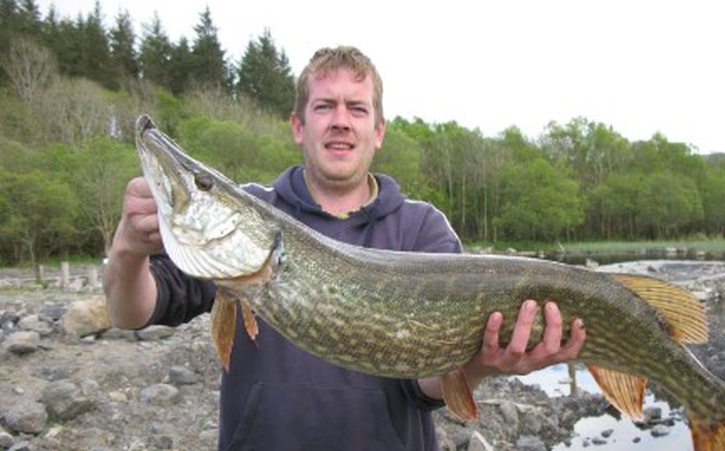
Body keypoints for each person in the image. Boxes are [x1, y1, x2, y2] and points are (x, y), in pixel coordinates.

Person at [104, 46, 586, 451]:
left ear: (377, 131)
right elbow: (133, 311)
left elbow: (426, 387)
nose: (340, 121)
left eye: (356, 108)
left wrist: (480, 363)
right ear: (298, 125)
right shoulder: (249, 216)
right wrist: (128, 249)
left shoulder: (421, 229)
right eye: (324, 106)